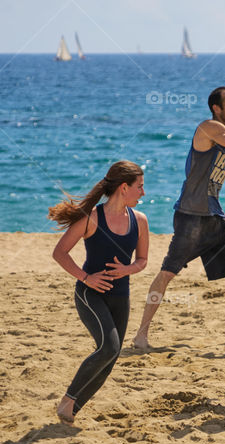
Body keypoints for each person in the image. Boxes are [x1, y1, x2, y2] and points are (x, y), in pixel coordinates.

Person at [132, 86, 225, 349]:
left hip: (214, 215)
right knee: (168, 272)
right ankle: (141, 335)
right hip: (191, 216)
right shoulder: (209, 128)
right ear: (216, 108)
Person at [49, 161, 150, 424]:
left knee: (111, 356)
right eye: (140, 187)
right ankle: (68, 399)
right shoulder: (92, 217)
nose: (144, 193)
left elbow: (142, 261)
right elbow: (59, 253)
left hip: (121, 296)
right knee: (108, 347)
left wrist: (126, 270)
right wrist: (86, 278)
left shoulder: (140, 221)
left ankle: (71, 409)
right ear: (124, 187)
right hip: (89, 294)